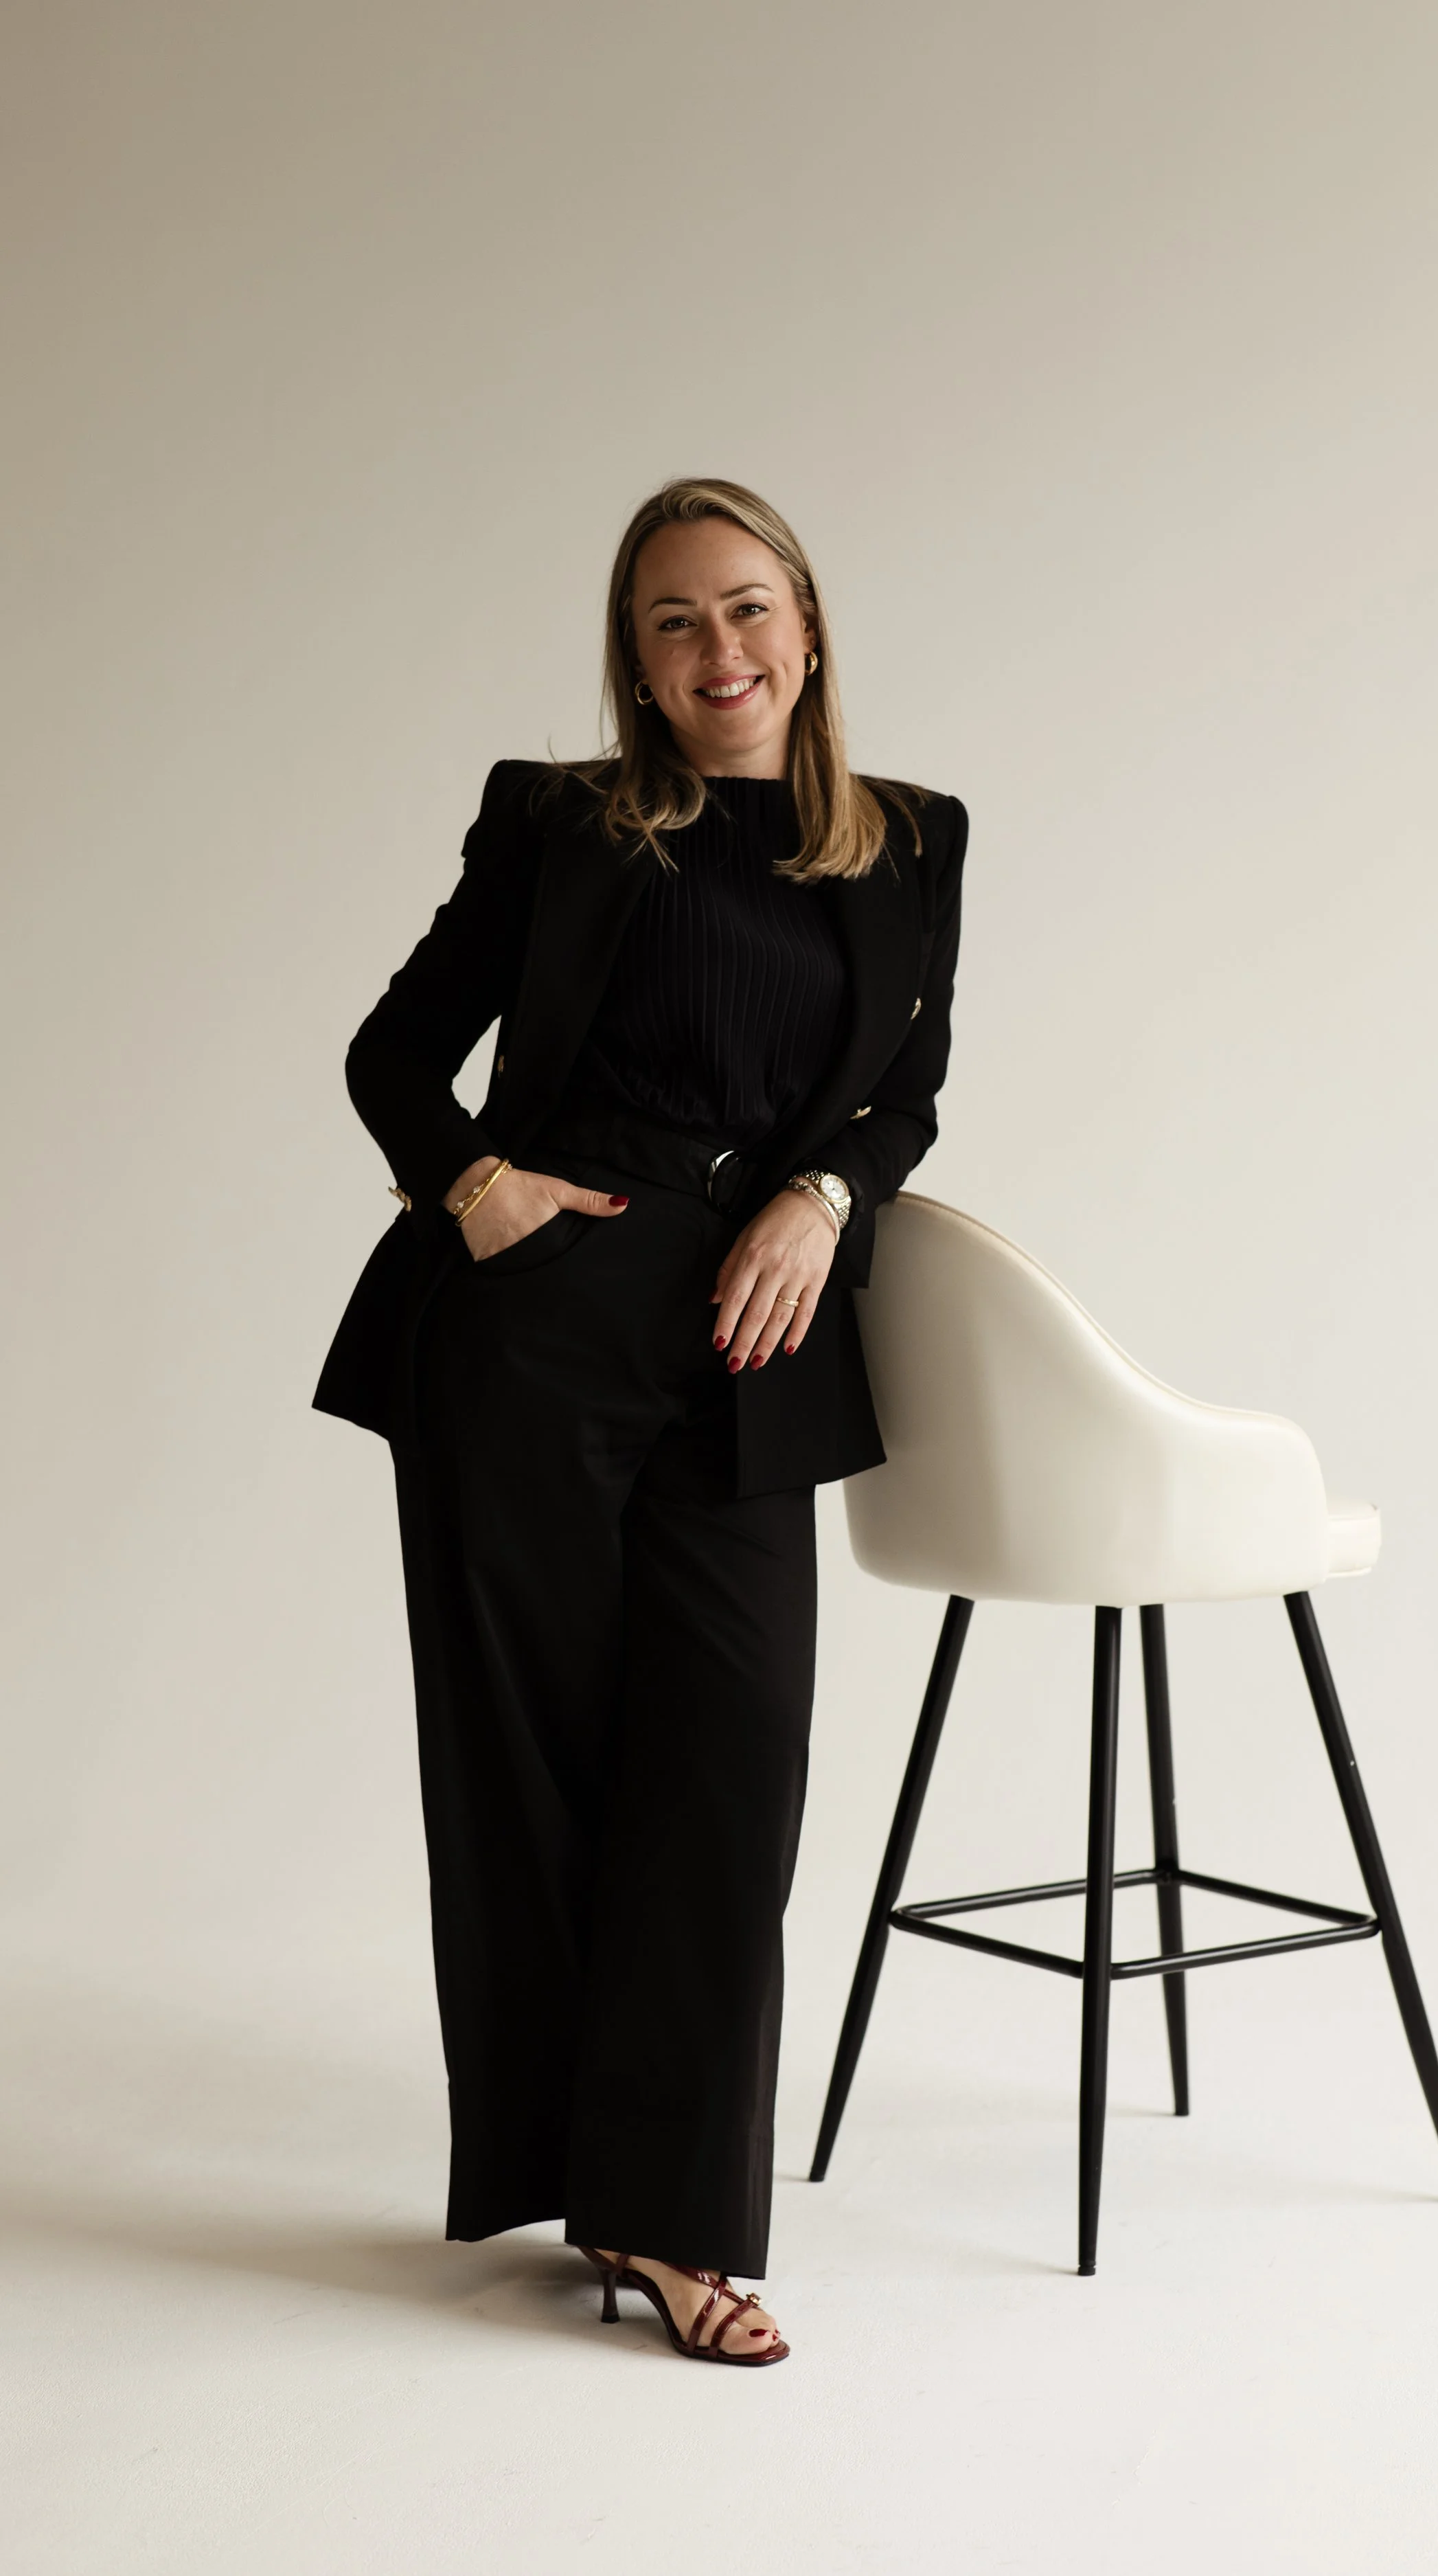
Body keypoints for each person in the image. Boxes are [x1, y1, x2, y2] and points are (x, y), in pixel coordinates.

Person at [314, 477, 967, 2366]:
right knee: (536, 1765)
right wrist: (470, 1186)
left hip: (751, 1344)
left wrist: (821, 1195)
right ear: (638, 656)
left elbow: (905, 1088)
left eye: (747, 609)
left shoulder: (909, 842)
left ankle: (668, 2199)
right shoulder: (567, 824)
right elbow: (390, 1051)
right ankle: (624, 2217)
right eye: (675, 622)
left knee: (731, 1763)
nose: (720, 653)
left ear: (810, 625)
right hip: (532, 1329)